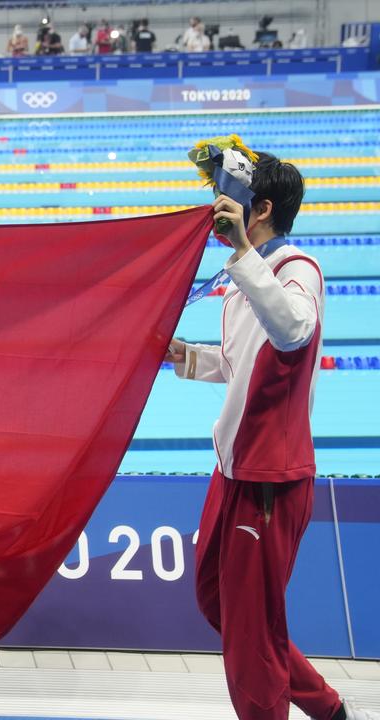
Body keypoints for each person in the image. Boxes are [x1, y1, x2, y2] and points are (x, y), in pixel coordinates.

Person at [168, 155, 379, 720]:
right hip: (232, 470)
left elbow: (292, 332)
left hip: (270, 479)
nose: (218, 211)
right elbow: (242, 363)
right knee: (219, 602)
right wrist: (185, 356)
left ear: (260, 210)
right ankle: (329, 708)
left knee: (250, 634)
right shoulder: (245, 277)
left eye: (233, 200)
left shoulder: (295, 268)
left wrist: (240, 252)